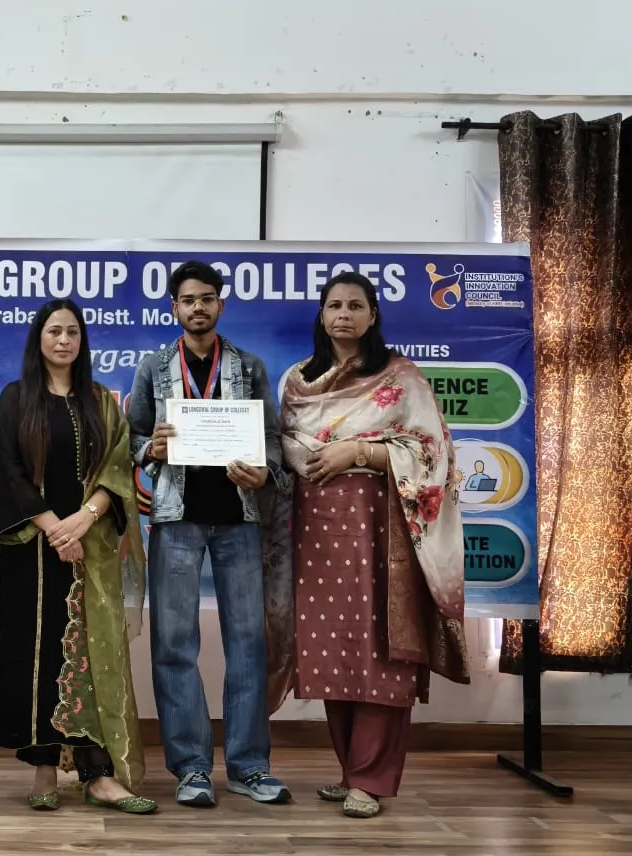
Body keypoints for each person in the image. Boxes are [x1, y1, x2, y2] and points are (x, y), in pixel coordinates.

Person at [279, 271, 469, 819]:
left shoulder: (400, 377)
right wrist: (308, 456)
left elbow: (433, 453)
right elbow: (285, 442)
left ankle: (372, 778)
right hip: (316, 528)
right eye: (334, 305)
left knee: (383, 648)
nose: (344, 314)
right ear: (321, 315)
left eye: (355, 306)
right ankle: (350, 770)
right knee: (331, 647)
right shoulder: (297, 380)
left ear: (372, 315)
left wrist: (358, 453)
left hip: (384, 528)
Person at [127, 260, 291, 808]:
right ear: (173, 307)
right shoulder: (153, 367)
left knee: (248, 642)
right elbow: (131, 437)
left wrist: (265, 470)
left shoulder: (248, 366)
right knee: (174, 644)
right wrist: (150, 448)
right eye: (188, 300)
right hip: (176, 517)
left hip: (239, 518)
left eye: (206, 298)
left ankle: (249, 766)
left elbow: (272, 437)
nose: (197, 307)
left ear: (221, 303)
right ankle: (191, 767)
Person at [0, 299, 156, 815]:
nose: (64, 340)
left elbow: (117, 467)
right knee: (36, 657)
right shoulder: (17, 397)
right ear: (38, 339)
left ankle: (98, 775)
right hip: (32, 550)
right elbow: (9, 471)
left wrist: (83, 519)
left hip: (92, 549)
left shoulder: (100, 401)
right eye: (54, 331)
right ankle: (43, 767)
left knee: (90, 656)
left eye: (73, 333)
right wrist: (55, 529)